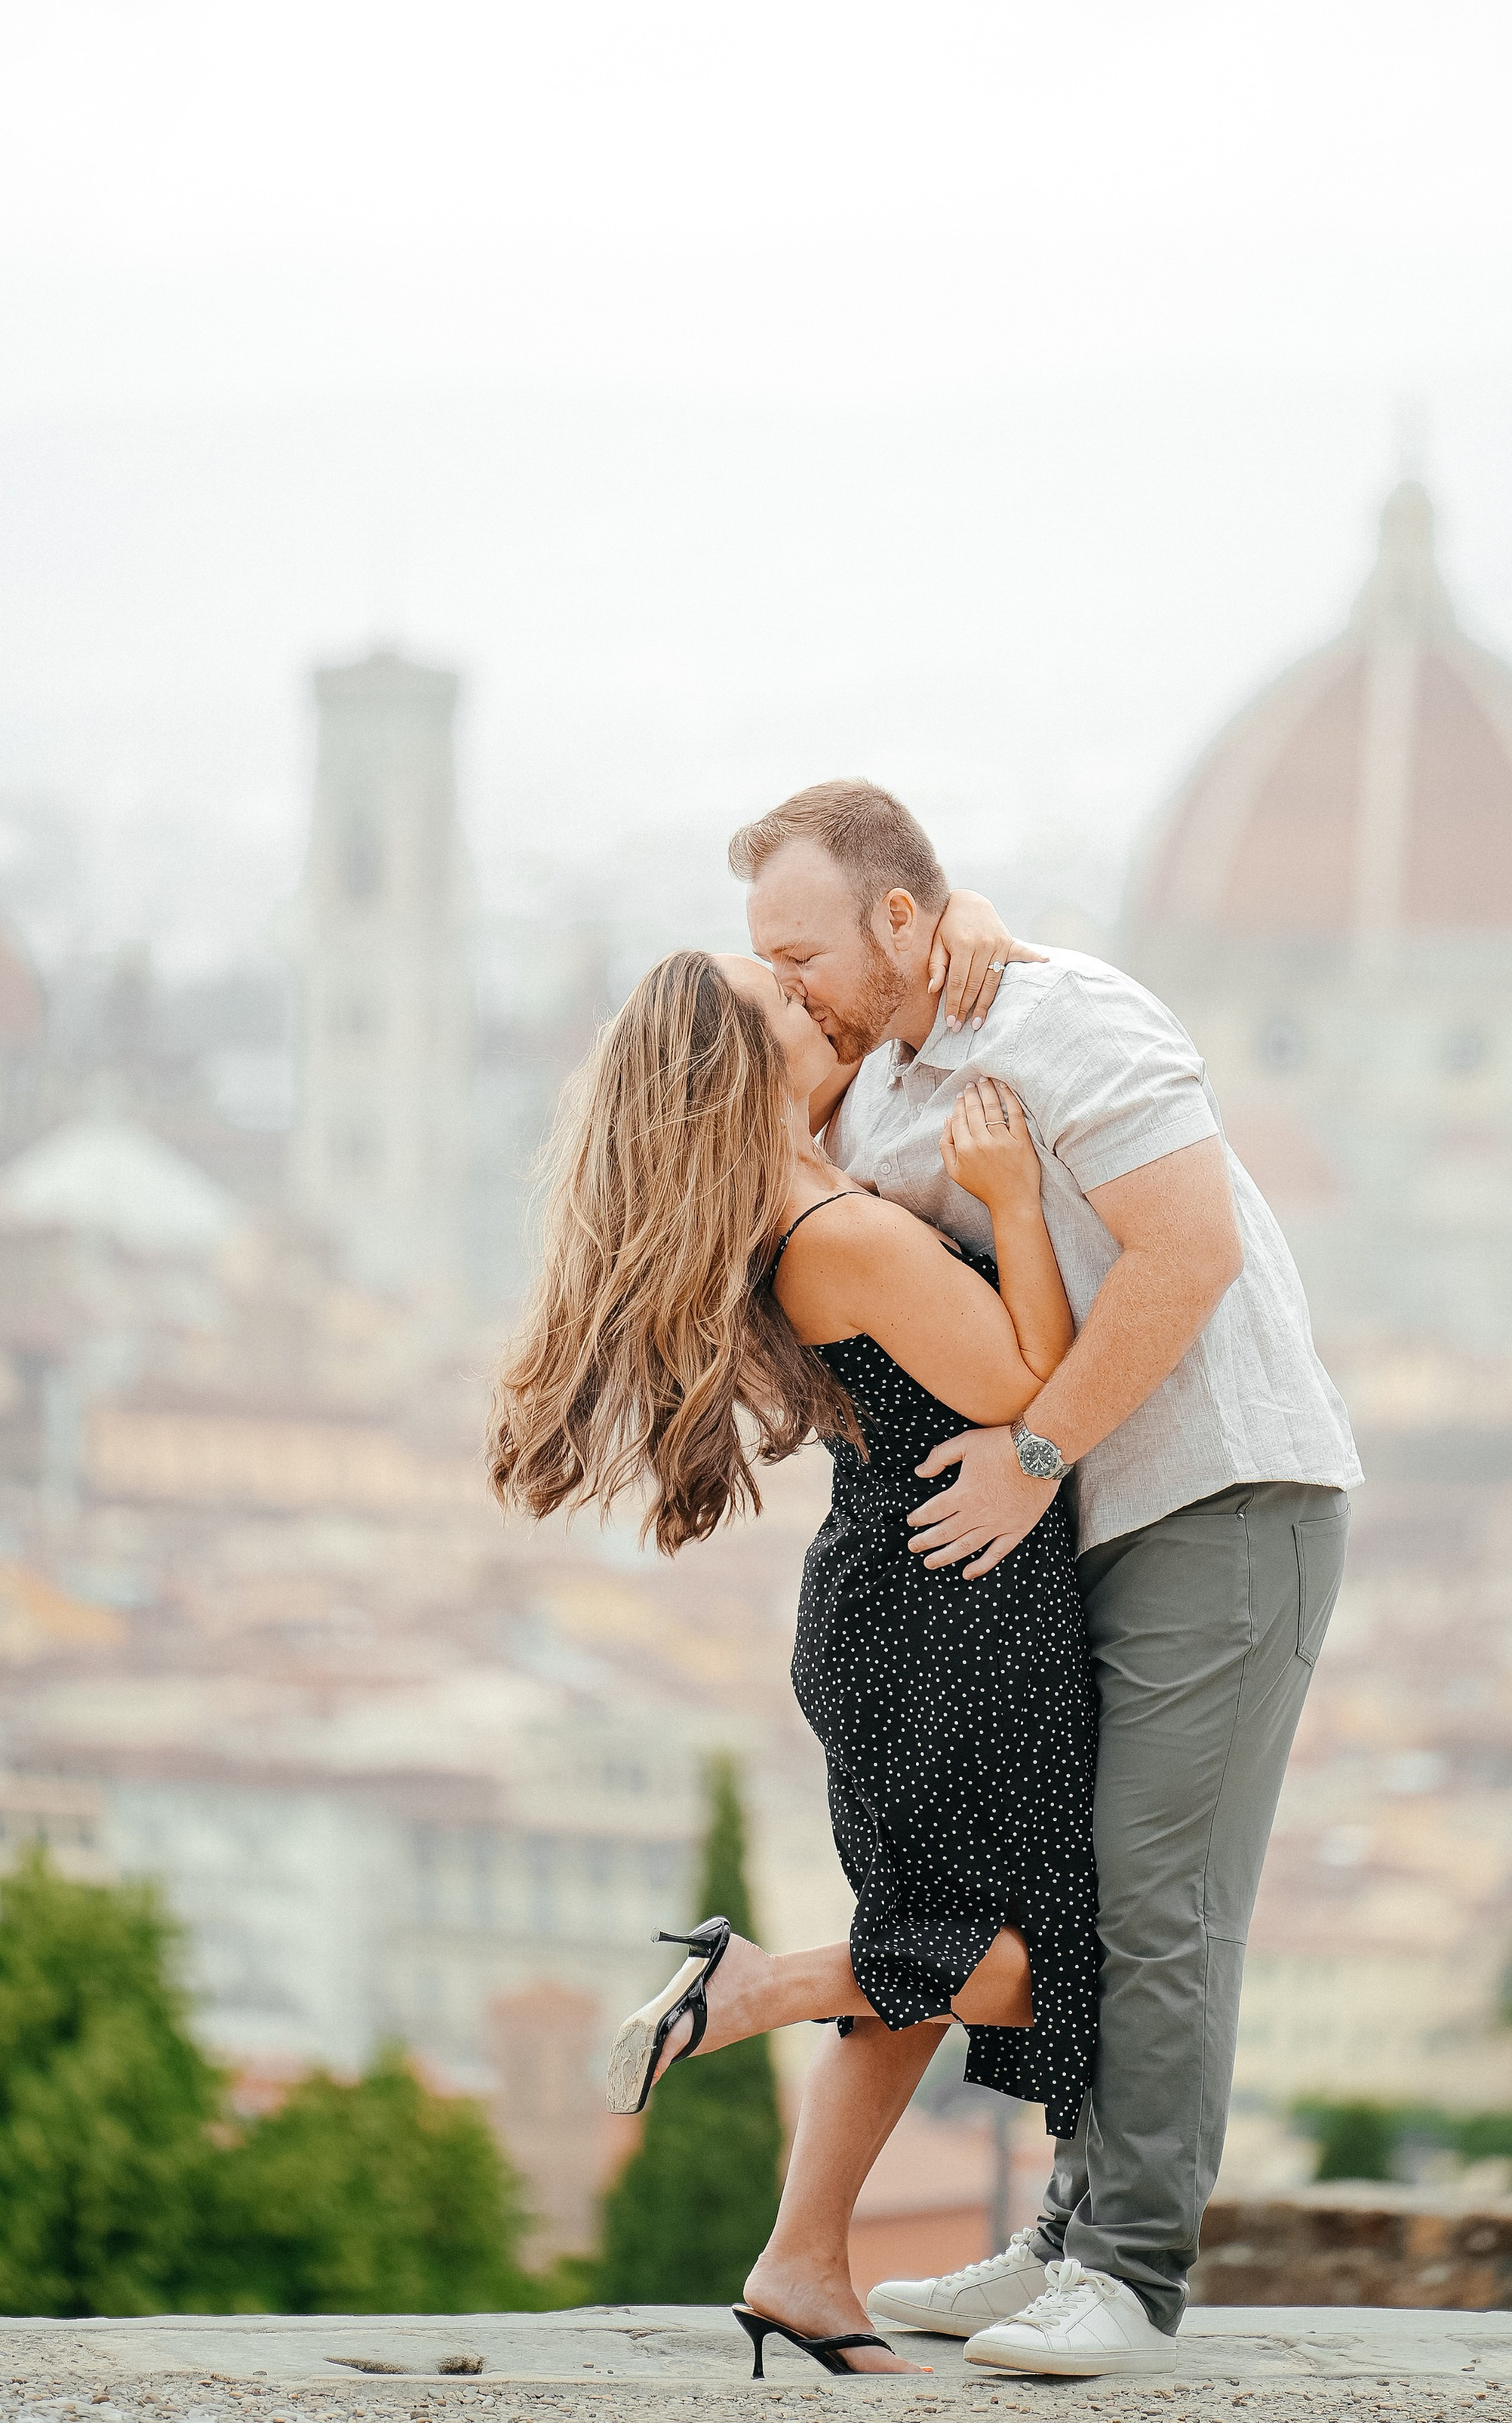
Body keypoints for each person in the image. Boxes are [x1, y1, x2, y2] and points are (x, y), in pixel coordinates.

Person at [733, 779, 1361, 2381]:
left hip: (1219, 1495)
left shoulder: (1071, 1019)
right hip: (1087, 1527)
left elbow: (1190, 1251)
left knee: (1160, 1896)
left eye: (803, 954)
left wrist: (1033, 1452)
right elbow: (769, 1092)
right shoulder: (880, 1075)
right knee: (1081, 1889)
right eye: (769, 960)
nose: (790, 985)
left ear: (897, 917)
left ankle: (1131, 2277)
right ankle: (1072, 2239)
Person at [487, 927, 1099, 2379]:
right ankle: (755, 1989)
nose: (814, 996)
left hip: (906, 1608)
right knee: (1053, 1963)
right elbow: (1034, 1386)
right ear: (740, 1066)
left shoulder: (807, 1206)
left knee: (915, 1964)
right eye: (782, 996)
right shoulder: (843, 1233)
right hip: (953, 1617)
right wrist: (1015, 1203)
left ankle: (801, 2266)